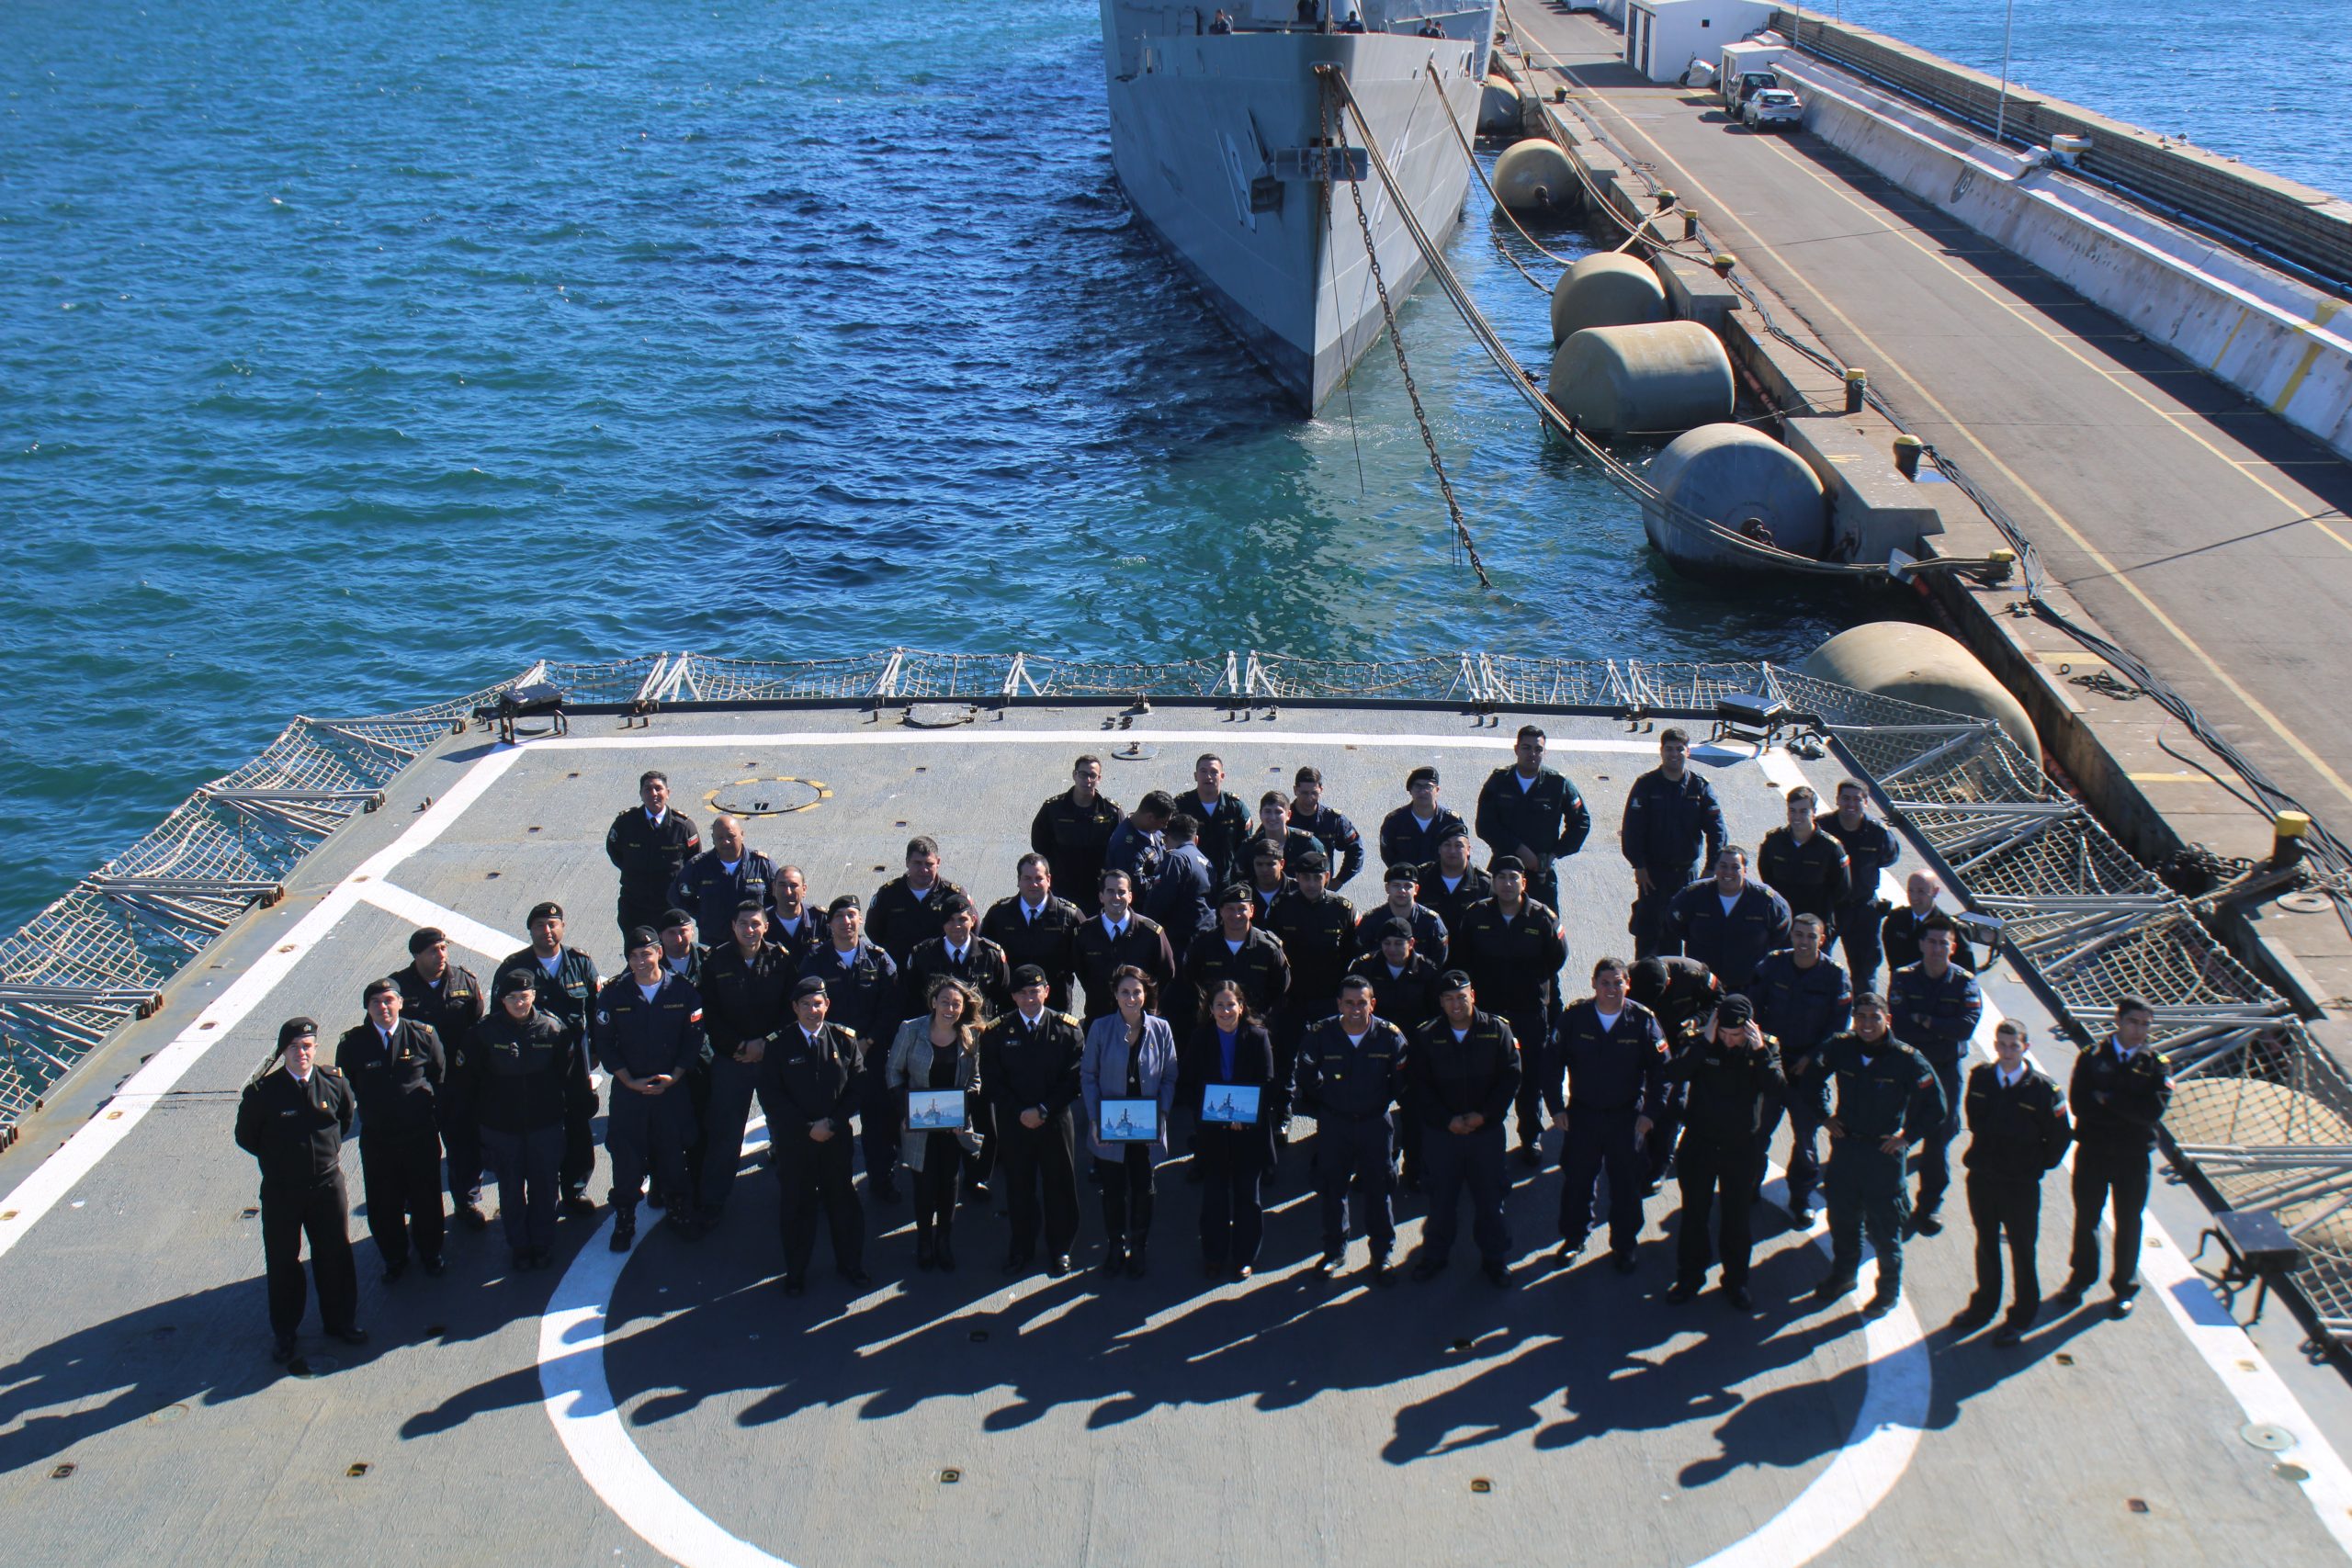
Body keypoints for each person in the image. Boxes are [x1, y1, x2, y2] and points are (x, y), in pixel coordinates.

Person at [1809, 993, 1946, 1318]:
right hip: (1846, 1151)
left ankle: (1887, 1292)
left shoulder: (1908, 1059)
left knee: (1885, 1231)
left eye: (1874, 1017)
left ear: (1888, 1019)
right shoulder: (1841, 1047)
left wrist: (1907, 1137)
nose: (1868, 1024)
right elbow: (1810, 1079)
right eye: (1862, 1017)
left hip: (1883, 1158)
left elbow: (1936, 1106)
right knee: (1842, 1221)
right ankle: (1843, 1276)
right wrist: (1824, 1115)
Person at [236, 1020, 365, 1362]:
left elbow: (346, 1118)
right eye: (294, 1047)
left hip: (326, 1185)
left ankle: (340, 1322)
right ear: (283, 1052)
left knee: (335, 1255)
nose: (302, 1053)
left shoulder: (332, 1083)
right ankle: (285, 1332)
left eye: (307, 1046)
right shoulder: (263, 1094)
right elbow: (247, 1138)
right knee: (283, 1263)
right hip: (282, 1191)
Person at [1951, 1020, 2072, 1343]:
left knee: (2022, 1250)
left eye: (2013, 1046)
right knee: (1986, 1244)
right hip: (1983, 1178)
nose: (2006, 1052)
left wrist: (2034, 1166)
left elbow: (2060, 1138)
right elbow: (1975, 1120)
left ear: (2025, 1047)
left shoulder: (2045, 1091)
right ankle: (1984, 1305)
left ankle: (2022, 1315)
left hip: (2020, 1185)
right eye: (2001, 1045)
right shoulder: (1982, 1078)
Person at [2053, 996, 2172, 1320]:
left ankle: (2123, 1288)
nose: (2139, 1031)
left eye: (2146, 1024)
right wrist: (2123, 1108)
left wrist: (2109, 1101)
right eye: (2133, 1022)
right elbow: (2081, 1105)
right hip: (2094, 1151)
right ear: (2118, 1021)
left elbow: (2152, 1112)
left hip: (2132, 1158)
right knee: (2087, 1217)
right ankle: (2081, 1277)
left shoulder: (2157, 1065)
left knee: (2129, 1222)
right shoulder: (2092, 1058)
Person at [1663, 996, 1784, 1308]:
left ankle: (1736, 1282)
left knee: (1736, 1220)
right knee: (1694, 1216)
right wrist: (1704, 1044)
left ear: (1751, 1029)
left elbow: (1776, 1089)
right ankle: (1689, 1277)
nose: (1730, 1042)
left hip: (1740, 1148)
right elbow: (1673, 1074)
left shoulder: (1765, 1048)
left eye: (1737, 1036)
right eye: (1725, 1034)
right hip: (1700, 1144)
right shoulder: (1699, 1042)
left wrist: (1758, 1053)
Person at [1553, 957, 1668, 1270]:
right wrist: (1556, 1107)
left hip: (1626, 1118)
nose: (1612, 989)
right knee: (1578, 1181)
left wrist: (1650, 1115)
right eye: (1605, 983)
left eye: (1618, 983)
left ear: (1627, 984)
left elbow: (1662, 1072)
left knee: (1626, 1186)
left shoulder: (1643, 1021)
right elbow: (1552, 1062)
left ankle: (1624, 1245)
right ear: (1593, 984)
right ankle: (1574, 1239)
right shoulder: (1575, 1017)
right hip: (1583, 1115)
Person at [594, 927, 706, 1251]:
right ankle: (625, 1216)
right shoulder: (614, 994)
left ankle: (678, 1208)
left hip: (670, 1087)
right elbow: (604, 1041)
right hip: (631, 1090)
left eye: (646, 954)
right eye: (633, 956)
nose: (640, 961)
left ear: (659, 953)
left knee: (672, 1152)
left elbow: (693, 1038)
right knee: (626, 1157)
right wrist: (628, 1079)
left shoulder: (683, 992)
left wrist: (675, 1076)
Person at [1409, 973, 1521, 1286]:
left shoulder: (1497, 1029)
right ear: (1440, 1002)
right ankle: (1435, 1257)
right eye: (1448, 998)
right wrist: (1448, 1120)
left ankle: (1495, 1260)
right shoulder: (1426, 1035)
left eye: (1461, 996)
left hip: (1484, 1134)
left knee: (1490, 1201)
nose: (1455, 1004)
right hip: (1443, 1135)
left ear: (1473, 994)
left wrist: (1483, 1116)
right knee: (1441, 1201)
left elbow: (1511, 1077)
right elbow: (1418, 1086)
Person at [1296, 976, 1409, 1282]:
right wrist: (1330, 1099)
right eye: (1349, 1003)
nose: (1356, 1009)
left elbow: (1400, 1082)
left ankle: (1382, 1254)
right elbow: (1306, 1075)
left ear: (1373, 1003)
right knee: (1333, 1189)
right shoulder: (1321, 1034)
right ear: (1339, 1004)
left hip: (1375, 1124)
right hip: (1336, 1124)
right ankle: (1334, 1251)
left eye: (1362, 1002)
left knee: (1379, 1189)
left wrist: (1376, 1102)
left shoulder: (1390, 1037)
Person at [1455, 856, 1567, 1166]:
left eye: (1513, 877)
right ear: (1493, 881)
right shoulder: (1475, 916)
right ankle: (1480, 1135)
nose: (1507, 883)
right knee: (1484, 1075)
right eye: (1501, 877)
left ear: (1523, 882)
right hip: (1488, 1012)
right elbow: (1463, 957)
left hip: (1528, 1011)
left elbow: (1557, 959)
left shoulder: (1543, 918)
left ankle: (1530, 1136)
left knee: (1530, 1078)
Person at [335, 977, 448, 1282]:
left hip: (419, 1133)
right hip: (379, 1137)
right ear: (367, 1008)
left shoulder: (423, 1035)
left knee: (426, 1196)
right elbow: (348, 1087)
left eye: (389, 1000)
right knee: (383, 1201)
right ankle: (394, 1257)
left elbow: (438, 1076)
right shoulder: (353, 1043)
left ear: (400, 1002)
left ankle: (430, 1252)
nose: (383, 1007)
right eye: (376, 1002)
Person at [457, 972, 571, 1270]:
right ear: (501, 1000)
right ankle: (520, 1246)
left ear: (533, 995)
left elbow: (568, 1077)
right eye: (512, 998)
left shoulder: (553, 1029)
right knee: (510, 1190)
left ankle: (543, 1243)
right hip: (501, 1129)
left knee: (546, 1189)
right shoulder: (483, 1034)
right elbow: (469, 1082)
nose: (519, 1002)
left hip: (544, 1125)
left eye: (524, 996)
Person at [694, 901, 796, 1232]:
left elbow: (790, 1008)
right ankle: (712, 1200)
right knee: (725, 1133)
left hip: (772, 1058)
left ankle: (798, 1195)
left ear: (766, 926)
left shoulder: (781, 958)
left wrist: (766, 1043)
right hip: (732, 1059)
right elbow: (709, 1012)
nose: (749, 930)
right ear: (732, 927)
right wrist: (739, 1046)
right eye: (743, 924)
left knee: (785, 1126)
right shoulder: (715, 962)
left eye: (755, 923)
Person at [496, 902, 602, 1217]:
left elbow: (597, 1009)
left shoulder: (580, 962)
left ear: (563, 928)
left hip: (573, 1059)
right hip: (533, 1062)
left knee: (578, 1123)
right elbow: (497, 1017)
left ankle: (575, 1188)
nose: (547, 931)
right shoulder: (514, 968)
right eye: (540, 925)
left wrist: (596, 1050)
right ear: (530, 931)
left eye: (553, 924)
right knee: (539, 1126)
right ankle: (543, 1193)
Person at [983, 965, 1087, 1276]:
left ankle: (1061, 1249)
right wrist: (1021, 1112)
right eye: (1023, 993)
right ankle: (1021, 1248)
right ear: (1014, 996)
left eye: (1035, 992)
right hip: (1015, 1123)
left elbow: (1073, 1079)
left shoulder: (1068, 1029)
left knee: (1061, 1186)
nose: (1031, 999)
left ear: (1046, 992)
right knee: (1019, 1187)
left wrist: (1043, 1109)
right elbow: (992, 1081)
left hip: (1054, 1121)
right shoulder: (997, 1031)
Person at [799, 894, 903, 1202]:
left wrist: (868, 1041)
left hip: (870, 1055)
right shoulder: (815, 961)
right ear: (829, 924)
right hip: (830, 1057)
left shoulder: (879, 958)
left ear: (860, 921)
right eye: (840, 916)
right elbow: (806, 1008)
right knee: (828, 1124)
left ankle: (882, 1181)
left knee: (878, 1123)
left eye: (852, 916)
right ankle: (825, 1186)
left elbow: (892, 1007)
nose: (847, 922)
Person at [770, 976, 868, 1296]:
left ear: (827, 1005)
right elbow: (772, 1097)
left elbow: (857, 1088)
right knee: (797, 1206)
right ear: (794, 1008)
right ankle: (796, 1272)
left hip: (835, 1138)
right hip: (796, 1142)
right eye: (806, 1005)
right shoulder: (778, 1045)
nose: (813, 1010)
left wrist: (833, 1123)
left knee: (843, 1202)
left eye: (818, 1004)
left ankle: (850, 1264)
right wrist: (807, 1127)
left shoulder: (844, 1040)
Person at [1748, 915, 1852, 1214]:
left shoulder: (1835, 976)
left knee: (1806, 1140)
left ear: (1821, 940)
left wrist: (1813, 1058)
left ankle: (1801, 1198)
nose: (1803, 942)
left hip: (1809, 1069)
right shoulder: (1773, 964)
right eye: (1799, 935)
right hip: (1772, 1062)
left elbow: (1838, 1030)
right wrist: (1762, 1051)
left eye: (1810, 936)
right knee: (1757, 1131)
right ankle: (1749, 1185)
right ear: (1791, 937)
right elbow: (1753, 1007)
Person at [1081, 966, 1181, 1277]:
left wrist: (1161, 1115)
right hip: (1110, 1124)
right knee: (1112, 1189)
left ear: (1146, 994)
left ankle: (1138, 1246)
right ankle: (1114, 1245)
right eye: (1125, 992)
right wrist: (1096, 1119)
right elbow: (1088, 1076)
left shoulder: (1162, 1029)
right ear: (1115, 995)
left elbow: (1169, 1076)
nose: (1131, 998)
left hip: (1147, 1126)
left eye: (1137, 992)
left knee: (1143, 1186)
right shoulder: (1100, 1028)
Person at [1887, 919, 1984, 1234]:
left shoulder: (1965, 983)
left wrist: (1925, 1021)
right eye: (1932, 942)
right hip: (1909, 1068)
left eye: (1944, 943)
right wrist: (1941, 1027)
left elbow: (1965, 1027)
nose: (1937, 948)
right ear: (1921, 944)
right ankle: (1890, 1199)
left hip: (1944, 1072)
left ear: (1953, 948)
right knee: (1894, 1133)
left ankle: (1930, 1205)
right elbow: (1901, 1026)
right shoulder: (1903, 978)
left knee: (1938, 1141)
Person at [888, 976, 987, 1272]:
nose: (951, 1008)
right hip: (919, 1123)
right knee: (924, 1184)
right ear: (933, 1003)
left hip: (953, 1125)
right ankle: (924, 1241)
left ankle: (943, 1240)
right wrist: (904, 1109)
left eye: (957, 1004)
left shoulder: (970, 1035)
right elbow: (894, 1071)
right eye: (945, 1001)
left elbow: (975, 1079)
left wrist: (964, 1106)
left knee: (949, 1184)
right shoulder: (911, 1029)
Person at [392, 926, 487, 1230]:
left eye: (444, 948)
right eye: (434, 950)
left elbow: (476, 1022)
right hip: (418, 1085)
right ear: (417, 955)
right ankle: (418, 1204)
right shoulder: (396, 990)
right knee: (418, 1149)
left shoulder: (464, 981)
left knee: (464, 1144)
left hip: (457, 1082)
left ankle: (467, 1201)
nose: (441, 955)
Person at [1183, 979, 1277, 1278]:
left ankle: (1244, 1256)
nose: (1226, 1011)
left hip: (1248, 1132)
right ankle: (1214, 1253)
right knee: (1214, 1198)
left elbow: (1267, 1084)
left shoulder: (1258, 1037)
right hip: (1212, 1133)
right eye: (1219, 1005)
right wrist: (1213, 1116)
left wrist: (1244, 1116)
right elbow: (1190, 1083)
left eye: (1231, 1004)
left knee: (1248, 1198)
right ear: (1210, 1010)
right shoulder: (1200, 1038)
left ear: (1241, 1006)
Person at [1184, 886, 1293, 1134]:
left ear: (1252, 910)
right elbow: (1191, 980)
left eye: (1242, 909)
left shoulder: (1268, 948)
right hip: (1214, 1027)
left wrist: (1260, 1018)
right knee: (1211, 1083)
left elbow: (1281, 988)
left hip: (1254, 1030)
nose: (1236, 915)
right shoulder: (1204, 945)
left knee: (1257, 1083)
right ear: (1220, 912)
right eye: (1230, 909)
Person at [1620, 728, 1726, 959]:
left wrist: (1711, 868)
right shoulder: (1646, 786)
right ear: (1661, 751)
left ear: (1688, 752)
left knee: (1679, 931)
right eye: (1669, 749)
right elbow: (1631, 830)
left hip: (1686, 875)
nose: (1674, 754)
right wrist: (1638, 865)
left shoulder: (1699, 787)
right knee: (1647, 933)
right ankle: (1643, 982)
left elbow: (1718, 831)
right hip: (1652, 875)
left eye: (1680, 749)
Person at [1626, 953, 1721, 1190]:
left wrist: (1697, 1020)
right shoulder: (1629, 977)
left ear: (1668, 983)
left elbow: (1719, 999)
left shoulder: (1694, 973)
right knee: (1641, 1102)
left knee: (1674, 1106)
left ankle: (1660, 1165)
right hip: (1646, 1046)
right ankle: (1640, 1152)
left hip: (1680, 1045)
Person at [1475, 726, 1591, 912]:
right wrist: (1519, 850)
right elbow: (1484, 825)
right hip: (1504, 870)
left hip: (1541, 872)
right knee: (1493, 925)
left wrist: (1555, 853)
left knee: (1546, 928)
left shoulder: (1558, 784)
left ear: (1545, 751)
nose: (1532, 754)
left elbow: (1581, 822)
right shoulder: (1499, 780)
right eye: (1526, 748)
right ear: (1516, 749)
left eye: (1538, 749)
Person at [1265, 849, 1357, 1067]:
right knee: (1286, 1057)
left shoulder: (1342, 910)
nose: (1312, 884)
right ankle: (1284, 1101)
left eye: (1317, 877)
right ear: (1297, 877)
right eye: (1306, 878)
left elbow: (1351, 955)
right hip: (1292, 998)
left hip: (1328, 998)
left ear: (1326, 877)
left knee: (1331, 1057)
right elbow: (1272, 953)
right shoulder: (1282, 907)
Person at [1666, 847, 1792, 991]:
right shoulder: (1694, 895)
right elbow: (1675, 921)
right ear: (1716, 867)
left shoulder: (1766, 900)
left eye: (1735, 867)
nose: (1728, 872)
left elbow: (1782, 929)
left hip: (1748, 985)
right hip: (1702, 984)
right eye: (1723, 866)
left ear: (1745, 870)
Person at [1821, 780, 1901, 995]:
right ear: (1837, 800)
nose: (1851, 804)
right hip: (1829, 907)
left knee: (1865, 972)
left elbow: (1889, 857)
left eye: (1857, 799)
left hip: (1862, 908)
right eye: (1845, 798)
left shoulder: (1878, 833)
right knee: (1818, 964)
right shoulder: (1823, 827)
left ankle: (1864, 1020)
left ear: (1866, 803)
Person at [605, 770, 701, 941]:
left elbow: (692, 861)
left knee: (673, 952)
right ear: (641, 794)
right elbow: (615, 852)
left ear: (668, 793)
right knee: (637, 955)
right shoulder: (625, 823)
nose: (653, 794)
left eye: (658, 788)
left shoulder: (683, 827)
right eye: (647, 789)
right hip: (635, 904)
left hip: (669, 904)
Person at [1075, 869, 1180, 1024]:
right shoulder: (1085, 932)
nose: (1116, 897)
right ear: (1101, 896)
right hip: (1099, 1018)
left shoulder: (1150, 933)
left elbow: (1166, 972)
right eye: (1110, 891)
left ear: (1130, 896)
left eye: (1122, 892)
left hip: (1141, 1020)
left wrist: (1147, 1000)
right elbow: (1082, 972)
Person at [981, 853, 1083, 1012]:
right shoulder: (999, 914)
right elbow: (984, 956)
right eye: (1027, 878)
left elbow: (1086, 958)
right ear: (1018, 880)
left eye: (1039, 878)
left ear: (1048, 879)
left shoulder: (1068, 915)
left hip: (1055, 1005)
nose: (1033, 884)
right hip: (1010, 1005)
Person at [1758, 786, 1853, 944]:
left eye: (1803, 811)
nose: (1797, 816)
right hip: (1782, 921)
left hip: (1815, 926)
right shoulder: (1774, 841)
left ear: (1814, 811)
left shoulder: (1831, 848)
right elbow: (1766, 875)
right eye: (1792, 810)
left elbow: (1842, 888)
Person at [1032, 754, 1125, 917]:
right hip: (1062, 883)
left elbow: (1120, 845)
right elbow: (1040, 841)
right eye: (1083, 774)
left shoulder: (1111, 811)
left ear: (1099, 778)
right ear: (1075, 775)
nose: (1087, 780)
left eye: (1092, 775)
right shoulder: (1053, 808)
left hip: (1096, 886)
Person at [906, 892, 1013, 1021]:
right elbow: (912, 998)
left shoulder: (991, 955)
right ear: (942, 922)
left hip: (979, 1030)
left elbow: (1006, 997)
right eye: (950, 920)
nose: (956, 926)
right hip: (936, 1032)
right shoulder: (923, 954)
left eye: (962, 920)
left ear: (973, 920)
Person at [670, 814, 781, 939]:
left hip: (752, 943)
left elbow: (781, 896)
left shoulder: (761, 863)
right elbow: (677, 897)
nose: (726, 842)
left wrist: (761, 916)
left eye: (731, 836)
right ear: (712, 839)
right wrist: (703, 915)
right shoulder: (698, 866)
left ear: (742, 835)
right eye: (720, 838)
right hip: (714, 943)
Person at [866, 836, 963, 968]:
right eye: (917, 863)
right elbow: (873, 930)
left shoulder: (952, 895)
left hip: (940, 972)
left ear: (938, 862)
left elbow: (971, 930)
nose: (923, 870)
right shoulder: (889, 894)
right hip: (899, 972)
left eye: (929, 864)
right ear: (907, 862)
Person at [1140, 813, 1216, 949]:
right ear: (1196, 839)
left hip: (1182, 938)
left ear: (1167, 838)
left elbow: (1160, 899)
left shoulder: (1176, 858)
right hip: (1205, 931)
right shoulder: (1206, 861)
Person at [1177, 754, 1255, 887]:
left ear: (1222, 776)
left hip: (1226, 880)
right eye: (1203, 771)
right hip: (1192, 879)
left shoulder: (1235, 807)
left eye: (1214, 772)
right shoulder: (1181, 805)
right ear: (1196, 776)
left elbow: (1246, 844)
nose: (1208, 776)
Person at [1880, 871, 1977, 975]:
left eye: (1921, 891)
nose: (1914, 897)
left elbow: (1966, 974)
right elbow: (1893, 962)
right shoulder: (1895, 919)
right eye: (1911, 890)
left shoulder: (1953, 929)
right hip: (1902, 987)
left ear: (1935, 891)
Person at [1380, 766, 1467, 875]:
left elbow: (1462, 852)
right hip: (1408, 883)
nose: (1423, 791)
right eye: (1418, 786)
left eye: (1428, 786)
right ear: (1410, 791)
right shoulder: (1395, 821)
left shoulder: (1451, 821)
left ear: (1437, 790)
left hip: (1442, 883)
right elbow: (1388, 855)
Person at [1358, 863, 1448, 968]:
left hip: (1419, 981)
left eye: (1408, 886)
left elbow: (1438, 962)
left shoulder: (1431, 922)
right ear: (1387, 888)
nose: (1402, 890)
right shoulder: (1371, 921)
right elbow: (1362, 958)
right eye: (1396, 885)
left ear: (1416, 889)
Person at [1289, 767, 1365, 889]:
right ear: (1295, 790)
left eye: (1314, 793)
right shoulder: (1281, 818)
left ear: (1321, 790)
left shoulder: (1332, 820)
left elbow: (1356, 849)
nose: (1309, 798)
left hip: (1321, 890)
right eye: (1304, 793)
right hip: (1290, 892)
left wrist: (1340, 880)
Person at [1417, 828, 1492, 940]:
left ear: (1468, 850)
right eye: (1447, 845)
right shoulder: (1421, 879)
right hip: (1431, 952)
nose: (1452, 851)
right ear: (1439, 849)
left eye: (1458, 845)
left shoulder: (1484, 883)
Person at [1103, 790, 1173, 896]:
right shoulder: (1126, 845)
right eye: (1164, 822)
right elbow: (1137, 886)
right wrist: (1166, 879)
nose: (1165, 826)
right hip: (1142, 907)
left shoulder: (1152, 828)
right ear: (1150, 817)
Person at [768, 864, 826, 961]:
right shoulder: (760, 921)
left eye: (793, 886)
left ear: (804, 889)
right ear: (774, 888)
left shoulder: (820, 919)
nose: (788, 892)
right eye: (782, 885)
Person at [658, 907, 705, 987]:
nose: (678, 939)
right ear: (660, 935)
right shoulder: (651, 962)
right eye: (671, 933)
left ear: (692, 931)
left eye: (683, 931)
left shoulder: (707, 956)